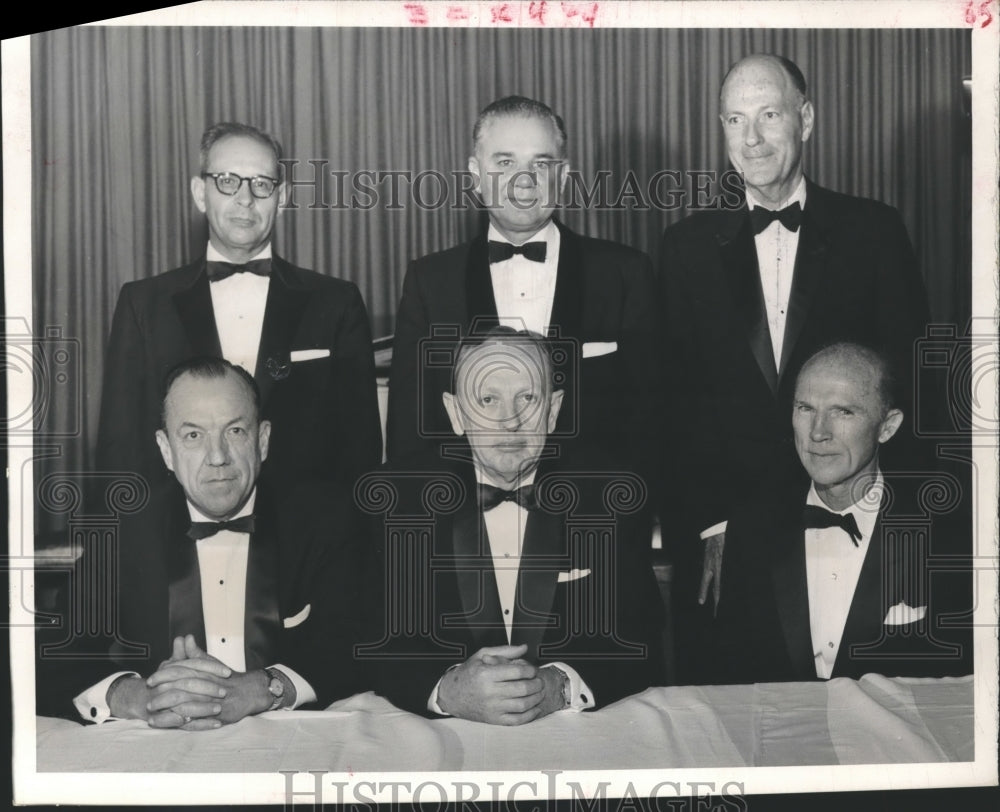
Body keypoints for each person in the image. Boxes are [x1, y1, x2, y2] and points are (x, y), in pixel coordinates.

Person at [659, 55, 932, 680]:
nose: (751, 138)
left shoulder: (875, 231)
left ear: (805, 120)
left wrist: (904, 530)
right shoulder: (686, 247)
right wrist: (706, 523)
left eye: (769, 115)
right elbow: (674, 404)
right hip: (729, 535)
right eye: (735, 119)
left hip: (854, 523)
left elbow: (914, 388)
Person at [365, 329, 664, 723]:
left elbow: (638, 629)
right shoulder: (397, 497)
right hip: (442, 739)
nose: (509, 422)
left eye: (527, 398)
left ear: (553, 411)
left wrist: (560, 686)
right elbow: (375, 637)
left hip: (579, 732)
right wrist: (447, 690)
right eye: (487, 400)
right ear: (456, 414)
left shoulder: (609, 491)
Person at [55, 358, 367, 727]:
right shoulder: (120, 532)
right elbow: (54, 654)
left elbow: (355, 643)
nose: (218, 457)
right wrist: (133, 696)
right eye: (193, 436)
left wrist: (263, 688)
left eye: (235, 431)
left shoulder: (323, 518)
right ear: (166, 450)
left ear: (262, 441)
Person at [386, 96, 660, 485]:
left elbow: (650, 421)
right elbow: (409, 431)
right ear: (476, 175)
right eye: (505, 162)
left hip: (597, 519)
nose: (524, 179)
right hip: (465, 526)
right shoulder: (430, 282)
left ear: (563, 176)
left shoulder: (626, 273)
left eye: (541, 163)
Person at [97, 122, 381, 495]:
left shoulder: (337, 302)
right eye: (228, 181)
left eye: (262, 184)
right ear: (201, 194)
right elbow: (120, 453)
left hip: (306, 540)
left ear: (282, 199)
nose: (245, 199)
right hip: (178, 535)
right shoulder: (142, 304)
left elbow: (361, 453)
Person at [713, 343, 971, 683]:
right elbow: (729, 675)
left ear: (887, 426)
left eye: (843, 412)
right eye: (805, 408)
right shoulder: (751, 527)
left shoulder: (946, 534)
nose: (818, 432)